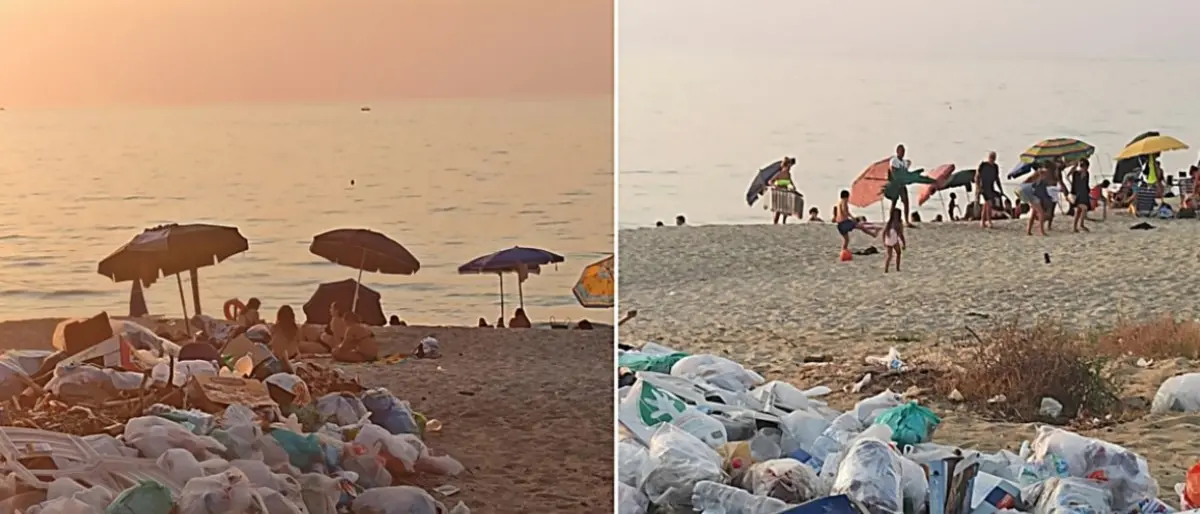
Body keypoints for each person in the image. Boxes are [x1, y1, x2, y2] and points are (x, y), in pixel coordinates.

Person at [888, 144, 915, 227]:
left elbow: (905, 172)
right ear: (897, 152)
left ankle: (906, 220)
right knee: (894, 202)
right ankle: (890, 220)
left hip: (902, 184)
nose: (902, 153)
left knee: (906, 202)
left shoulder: (904, 162)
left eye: (903, 151)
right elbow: (893, 171)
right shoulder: (894, 161)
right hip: (895, 184)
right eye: (901, 151)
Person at [975, 151, 1002, 228]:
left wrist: (1000, 189)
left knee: (986, 205)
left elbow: (997, 179)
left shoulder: (995, 167)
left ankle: (982, 222)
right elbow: (977, 176)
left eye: (993, 158)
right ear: (989, 157)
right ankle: (989, 221)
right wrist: (978, 187)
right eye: (991, 157)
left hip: (990, 187)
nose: (992, 159)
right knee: (989, 203)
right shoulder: (983, 165)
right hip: (983, 187)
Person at [771, 157, 797, 224]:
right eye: (789, 167)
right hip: (779, 191)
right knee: (778, 209)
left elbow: (790, 182)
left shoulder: (788, 174)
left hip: (785, 191)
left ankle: (784, 222)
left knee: (786, 208)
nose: (790, 168)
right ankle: (775, 223)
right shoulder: (780, 173)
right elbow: (770, 181)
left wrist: (793, 186)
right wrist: (775, 185)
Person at [882, 208, 907, 273]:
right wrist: (884, 240)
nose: (896, 215)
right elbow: (885, 232)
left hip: (892, 239)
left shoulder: (893, 222)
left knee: (895, 254)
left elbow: (900, 234)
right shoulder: (895, 222)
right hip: (891, 240)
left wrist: (903, 243)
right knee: (892, 255)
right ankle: (890, 269)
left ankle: (893, 269)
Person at [1070, 159, 1092, 233]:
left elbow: (1086, 184)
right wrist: (1075, 165)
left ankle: (1075, 227)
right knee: (1084, 209)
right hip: (1078, 193)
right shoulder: (1076, 173)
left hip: (1084, 193)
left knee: (1079, 210)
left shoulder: (1087, 173)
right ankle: (1081, 224)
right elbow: (1069, 176)